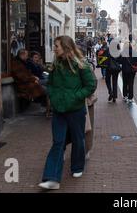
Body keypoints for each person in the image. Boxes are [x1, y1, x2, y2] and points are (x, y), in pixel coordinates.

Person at [39, 36, 97, 191]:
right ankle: (52, 178)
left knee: (78, 139)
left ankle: (77, 166)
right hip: (59, 110)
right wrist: (53, 96)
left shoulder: (81, 65)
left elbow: (91, 85)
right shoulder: (55, 65)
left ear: (65, 47)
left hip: (76, 110)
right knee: (58, 142)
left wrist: (75, 97)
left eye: (56, 46)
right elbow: (50, 84)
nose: (54, 48)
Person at [121, 35, 137, 104]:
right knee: (131, 84)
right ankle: (130, 97)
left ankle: (125, 96)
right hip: (132, 71)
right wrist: (134, 63)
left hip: (124, 70)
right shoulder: (134, 52)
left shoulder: (122, 52)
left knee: (125, 83)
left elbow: (119, 61)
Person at [104, 39, 121, 103]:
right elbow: (120, 60)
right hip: (116, 68)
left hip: (109, 68)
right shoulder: (118, 51)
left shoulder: (108, 50)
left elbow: (104, 57)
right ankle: (114, 96)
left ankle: (110, 92)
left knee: (107, 80)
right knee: (115, 82)